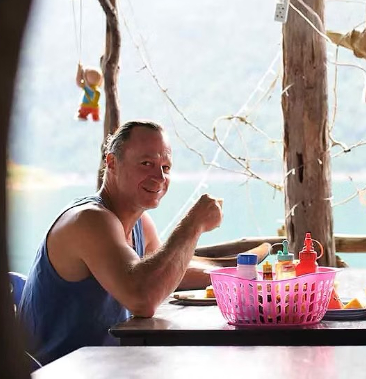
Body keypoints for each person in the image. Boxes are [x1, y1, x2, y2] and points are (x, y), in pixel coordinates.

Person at [18, 120, 223, 364]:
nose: (159, 177)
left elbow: (168, 272)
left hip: (106, 366)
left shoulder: (140, 224)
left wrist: (236, 275)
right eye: (146, 163)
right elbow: (143, 299)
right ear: (112, 162)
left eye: (165, 167)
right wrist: (193, 224)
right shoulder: (89, 220)